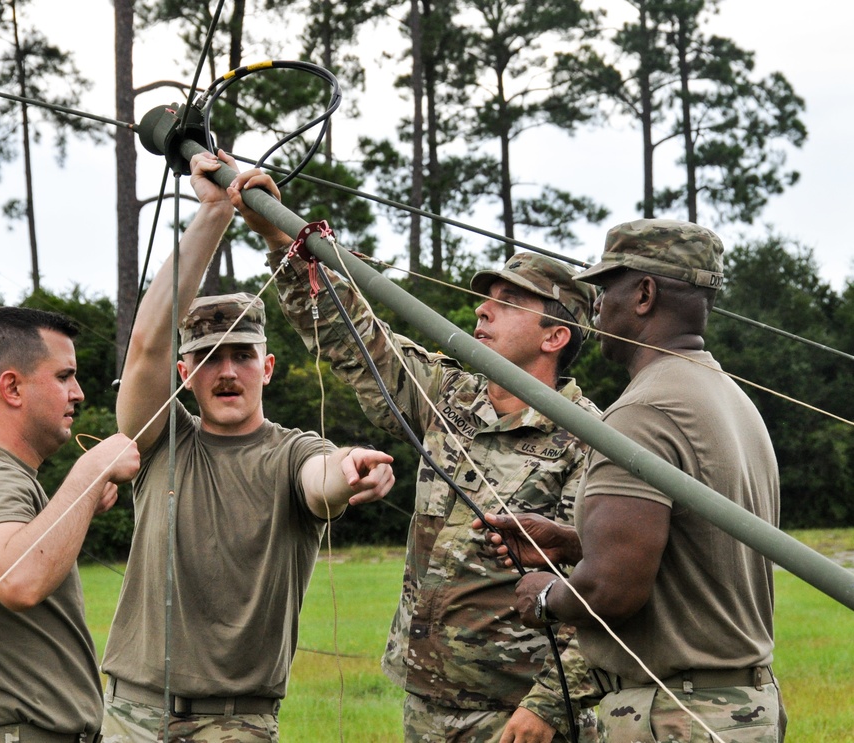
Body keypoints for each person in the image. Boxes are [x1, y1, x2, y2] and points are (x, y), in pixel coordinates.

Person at [223, 169, 602, 742]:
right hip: (427, 699)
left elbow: (607, 583)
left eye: (508, 302)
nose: (481, 311)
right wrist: (279, 238)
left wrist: (550, 705)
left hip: (519, 715)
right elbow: (353, 338)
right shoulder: (447, 395)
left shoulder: (591, 438)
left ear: (556, 337)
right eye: (484, 299)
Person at [99, 150, 396, 743]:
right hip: (131, 715)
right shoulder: (161, 440)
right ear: (184, 373)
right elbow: (144, 349)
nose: (227, 371)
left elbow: (323, 478)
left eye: (243, 354)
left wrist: (351, 467)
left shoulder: (292, 452)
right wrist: (212, 212)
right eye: (209, 358)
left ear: (269, 368)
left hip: (237, 725)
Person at [493, 218, 785, 742]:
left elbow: (613, 589)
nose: (598, 307)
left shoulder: (644, 412)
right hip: (741, 708)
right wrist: (575, 543)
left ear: (645, 294)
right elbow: (699, 545)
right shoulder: (728, 397)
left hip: (679, 716)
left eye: (606, 289)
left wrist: (544, 596)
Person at [0, 306, 141, 743]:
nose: (78, 393)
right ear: (12, 387)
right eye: (64, 376)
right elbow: (18, 580)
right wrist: (89, 471)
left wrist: (78, 504)